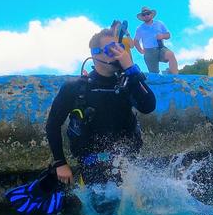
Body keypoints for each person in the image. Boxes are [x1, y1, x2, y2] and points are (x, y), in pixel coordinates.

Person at [45, 26, 156, 188]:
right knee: (101, 211)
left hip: (127, 163)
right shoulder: (75, 88)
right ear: (95, 54)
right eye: (111, 49)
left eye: (120, 48)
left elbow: (148, 106)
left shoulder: (127, 82)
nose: (119, 54)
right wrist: (60, 163)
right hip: (92, 166)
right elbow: (53, 125)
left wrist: (131, 70)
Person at [134, 6, 179, 74]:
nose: (146, 15)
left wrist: (162, 36)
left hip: (161, 48)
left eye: (148, 13)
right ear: (142, 17)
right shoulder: (139, 28)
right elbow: (136, 41)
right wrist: (140, 50)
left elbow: (168, 35)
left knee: (171, 55)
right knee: (154, 73)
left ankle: (175, 77)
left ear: (151, 14)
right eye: (144, 14)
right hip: (149, 52)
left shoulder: (159, 23)